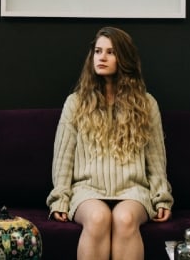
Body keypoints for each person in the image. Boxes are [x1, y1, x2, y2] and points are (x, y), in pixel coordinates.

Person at [47, 26, 173, 260]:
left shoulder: (146, 104)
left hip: (132, 190)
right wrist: (60, 199)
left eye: (110, 52)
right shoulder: (75, 103)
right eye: (97, 51)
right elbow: (63, 158)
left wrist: (161, 196)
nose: (101, 57)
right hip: (87, 190)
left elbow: (156, 158)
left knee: (124, 219)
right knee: (98, 218)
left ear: (123, 58)